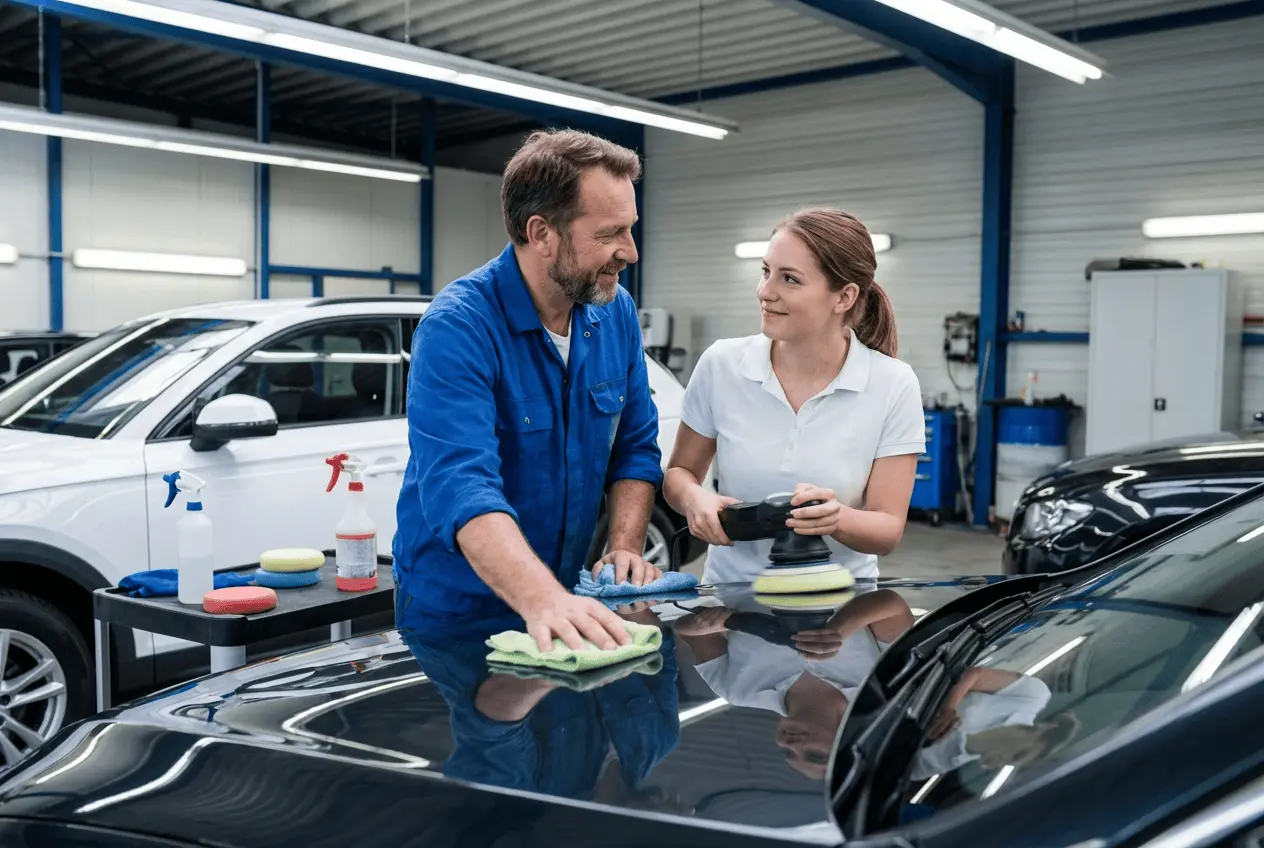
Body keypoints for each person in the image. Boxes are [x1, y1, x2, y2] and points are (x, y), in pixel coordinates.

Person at [393, 129, 664, 652]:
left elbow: (634, 444)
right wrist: (542, 598)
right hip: (459, 610)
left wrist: (623, 547)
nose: (629, 252)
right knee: (488, 732)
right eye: (610, 233)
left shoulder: (616, 313)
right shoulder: (459, 326)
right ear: (541, 232)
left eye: (630, 230)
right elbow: (461, 484)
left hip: (564, 594)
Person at [663, 207, 926, 585]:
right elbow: (679, 473)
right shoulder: (721, 365)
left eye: (790, 279)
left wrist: (836, 518)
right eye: (766, 272)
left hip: (841, 614)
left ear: (844, 297)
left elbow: (887, 530)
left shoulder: (893, 383)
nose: (766, 292)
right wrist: (694, 499)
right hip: (728, 600)